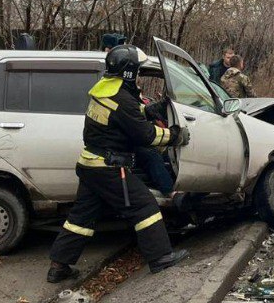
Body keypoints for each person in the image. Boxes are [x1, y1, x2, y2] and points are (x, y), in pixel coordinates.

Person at [46, 44, 190, 283]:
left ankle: (59, 266)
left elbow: (124, 114)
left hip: (91, 165)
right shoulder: (121, 98)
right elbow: (145, 136)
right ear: (130, 71)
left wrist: (148, 109)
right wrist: (175, 135)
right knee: (144, 207)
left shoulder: (105, 91)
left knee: (80, 218)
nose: (140, 73)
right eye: (138, 69)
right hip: (108, 168)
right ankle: (161, 257)